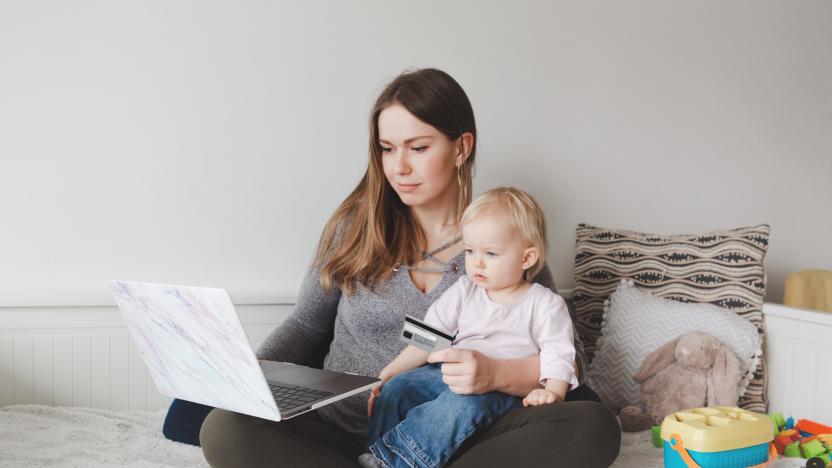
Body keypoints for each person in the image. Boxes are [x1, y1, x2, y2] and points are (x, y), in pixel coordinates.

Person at [166, 68, 620, 467]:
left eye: (417, 147)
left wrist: (497, 374)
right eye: (386, 148)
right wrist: (248, 378)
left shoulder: (502, 239)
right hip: (342, 433)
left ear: (461, 148)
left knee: (592, 427)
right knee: (225, 430)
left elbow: (567, 357)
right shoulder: (354, 226)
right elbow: (306, 327)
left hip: (460, 435)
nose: (398, 167)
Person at [362, 187, 580, 468]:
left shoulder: (545, 303)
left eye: (490, 253)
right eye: (469, 250)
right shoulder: (465, 289)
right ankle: (376, 454)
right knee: (399, 389)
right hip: (447, 374)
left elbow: (559, 353)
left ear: (527, 258)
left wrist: (553, 392)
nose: (476, 262)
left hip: (499, 391)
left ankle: (399, 462)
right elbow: (429, 337)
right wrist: (389, 372)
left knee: (461, 406)